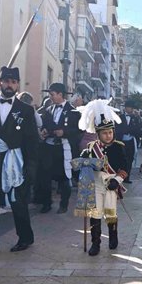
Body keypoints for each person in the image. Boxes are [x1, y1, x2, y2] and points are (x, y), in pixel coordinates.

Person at [0, 66, 38, 259]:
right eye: (6, 81)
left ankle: (25, 238)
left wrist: (30, 166)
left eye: (13, 82)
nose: (9, 85)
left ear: (18, 85)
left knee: (18, 202)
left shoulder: (26, 110)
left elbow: (31, 141)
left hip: (15, 161)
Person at [75, 99, 128, 255]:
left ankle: (113, 237)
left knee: (111, 213)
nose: (108, 135)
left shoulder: (119, 147)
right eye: (104, 133)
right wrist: (84, 160)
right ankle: (95, 243)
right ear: (98, 134)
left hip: (111, 183)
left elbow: (125, 168)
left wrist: (117, 181)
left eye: (110, 132)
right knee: (95, 214)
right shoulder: (91, 148)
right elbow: (81, 166)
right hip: (96, 184)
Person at [38, 83, 80, 214]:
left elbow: (79, 129)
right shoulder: (48, 110)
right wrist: (44, 131)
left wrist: (65, 132)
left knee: (64, 177)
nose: (50, 97)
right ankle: (46, 203)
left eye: (52, 95)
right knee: (45, 176)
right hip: (49, 147)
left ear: (60, 94)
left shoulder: (73, 111)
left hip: (63, 148)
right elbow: (45, 125)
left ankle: (63, 204)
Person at [115, 100, 142, 183]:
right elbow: (117, 129)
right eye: (127, 107)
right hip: (121, 141)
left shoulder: (135, 118)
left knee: (129, 159)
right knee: (121, 158)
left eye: (130, 108)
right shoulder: (120, 117)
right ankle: (119, 176)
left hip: (130, 141)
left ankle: (127, 177)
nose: (129, 109)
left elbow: (138, 129)